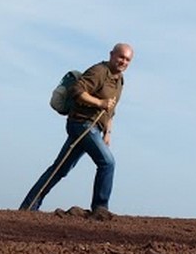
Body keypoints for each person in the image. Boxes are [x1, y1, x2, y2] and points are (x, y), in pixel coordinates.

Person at [20, 43, 133, 218]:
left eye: (127, 59)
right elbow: (77, 90)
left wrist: (107, 133)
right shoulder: (99, 71)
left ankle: (29, 206)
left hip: (94, 128)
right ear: (111, 54)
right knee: (107, 163)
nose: (123, 61)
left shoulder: (120, 81)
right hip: (82, 124)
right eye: (121, 57)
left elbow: (111, 110)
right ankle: (100, 208)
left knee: (60, 169)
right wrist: (99, 103)